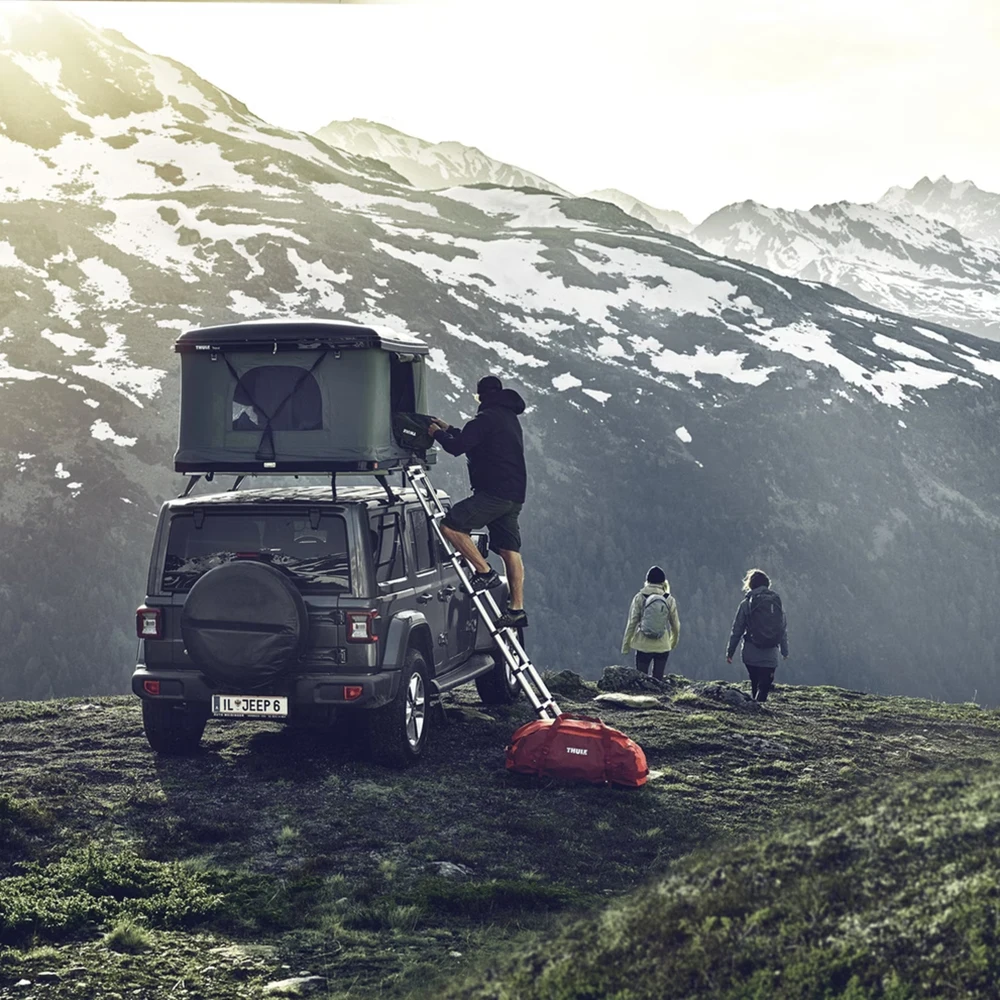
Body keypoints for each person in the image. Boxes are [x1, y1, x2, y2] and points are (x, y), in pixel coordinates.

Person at [428, 375, 528, 630]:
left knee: (451, 526)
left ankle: (485, 573)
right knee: (509, 550)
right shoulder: (508, 418)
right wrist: (448, 429)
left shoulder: (486, 418)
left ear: (482, 396)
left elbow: (457, 447)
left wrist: (437, 434)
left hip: (493, 493)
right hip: (514, 494)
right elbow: (473, 440)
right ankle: (516, 609)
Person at [726, 568, 789, 702]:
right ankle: (759, 708)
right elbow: (782, 628)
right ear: (767, 584)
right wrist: (785, 651)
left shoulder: (746, 604)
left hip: (750, 652)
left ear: (750, 585)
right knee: (764, 686)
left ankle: (754, 710)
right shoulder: (776, 603)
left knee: (755, 682)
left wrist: (730, 652)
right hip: (770, 653)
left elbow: (737, 630)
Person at [620, 566, 680, 680]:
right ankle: (659, 697)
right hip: (663, 645)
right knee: (658, 680)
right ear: (663, 582)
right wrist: (672, 643)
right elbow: (675, 625)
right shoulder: (669, 599)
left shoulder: (639, 597)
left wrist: (626, 645)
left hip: (643, 645)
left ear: (647, 581)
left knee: (641, 680)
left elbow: (632, 623)